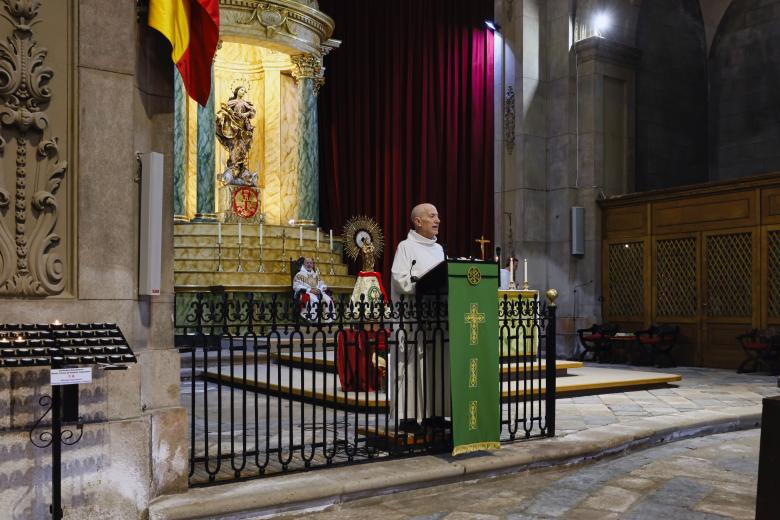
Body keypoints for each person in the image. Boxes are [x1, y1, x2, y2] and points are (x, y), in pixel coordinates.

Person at [390, 203, 450, 432]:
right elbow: (400, 279)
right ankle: (408, 416)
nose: (438, 220)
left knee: (436, 366)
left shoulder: (439, 250)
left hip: (437, 318)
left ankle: (434, 413)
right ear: (418, 221)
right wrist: (422, 284)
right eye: (432, 216)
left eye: (438, 215)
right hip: (413, 319)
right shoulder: (405, 247)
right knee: (412, 367)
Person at [216, 85, 258, 186]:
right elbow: (225, 112)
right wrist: (222, 116)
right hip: (234, 129)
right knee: (234, 147)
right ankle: (234, 166)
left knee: (242, 147)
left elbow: (252, 112)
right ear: (237, 91)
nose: (244, 91)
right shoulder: (231, 103)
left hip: (244, 129)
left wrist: (246, 114)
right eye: (242, 90)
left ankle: (241, 167)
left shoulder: (246, 103)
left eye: (244, 90)